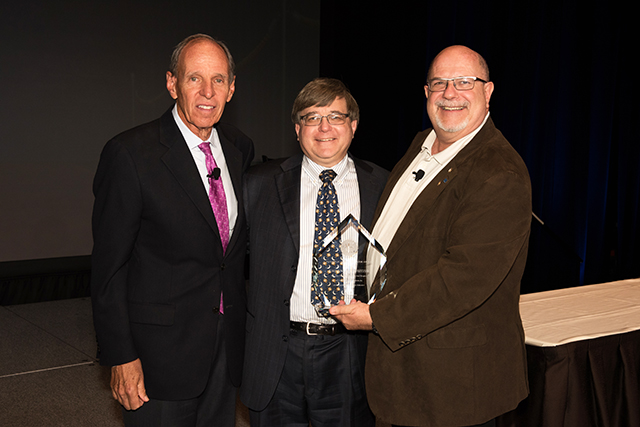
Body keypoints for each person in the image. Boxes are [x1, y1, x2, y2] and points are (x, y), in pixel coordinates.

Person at [330, 45, 531, 427]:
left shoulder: (499, 171)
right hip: (405, 378)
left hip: (452, 390)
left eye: (464, 82)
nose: (450, 93)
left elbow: (462, 279)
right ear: (426, 93)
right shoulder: (420, 146)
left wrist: (375, 315)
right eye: (439, 83)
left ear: (488, 92)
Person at [90, 34, 254, 426]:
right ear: (171, 83)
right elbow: (108, 269)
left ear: (231, 89)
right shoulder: (130, 154)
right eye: (193, 78)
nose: (207, 92)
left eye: (218, 80)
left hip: (225, 351)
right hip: (158, 358)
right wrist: (120, 356)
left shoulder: (238, 148)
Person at [240, 77, 387, 426]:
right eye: (311, 117)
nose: (324, 127)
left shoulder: (383, 185)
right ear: (297, 128)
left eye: (335, 117)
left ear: (353, 125)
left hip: (350, 351)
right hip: (277, 350)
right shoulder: (258, 183)